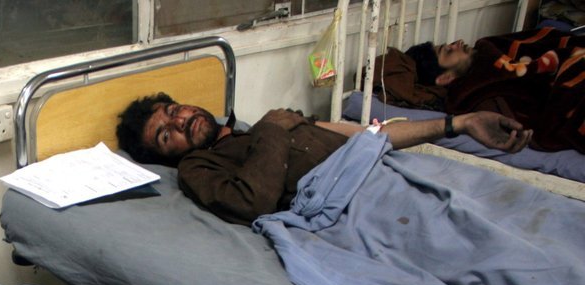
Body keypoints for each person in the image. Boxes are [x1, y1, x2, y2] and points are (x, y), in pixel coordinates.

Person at [115, 94, 531, 225]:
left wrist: (460, 123)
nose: (180, 121)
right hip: (366, 210)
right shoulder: (198, 168)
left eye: (174, 110)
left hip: (389, 174)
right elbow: (250, 203)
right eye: (166, 135)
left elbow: (366, 137)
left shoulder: (255, 128)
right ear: (165, 158)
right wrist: (272, 130)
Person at [374, 27, 585, 152]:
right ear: (446, 78)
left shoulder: (489, 49)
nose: (458, 42)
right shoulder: (475, 95)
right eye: (449, 51)